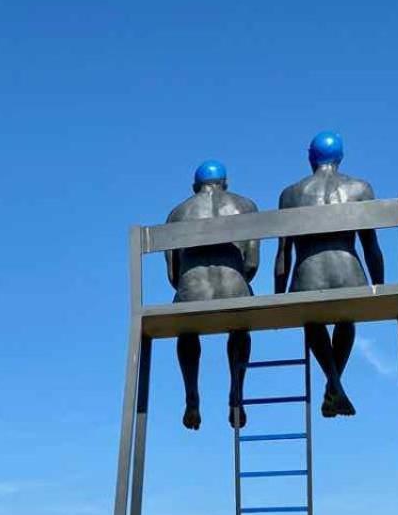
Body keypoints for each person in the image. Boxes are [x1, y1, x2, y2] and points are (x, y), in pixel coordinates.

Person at [274, 130, 385, 417]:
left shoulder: (290, 194)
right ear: (340, 157)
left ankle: (334, 384)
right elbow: (371, 245)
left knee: (312, 320)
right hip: (351, 277)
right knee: (346, 319)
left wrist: (277, 295)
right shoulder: (360, 188)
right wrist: (378, 286)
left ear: (311, 158)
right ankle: (334, 386)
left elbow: (283, 252)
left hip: (307, 280)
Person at [165, 160, 259, 430]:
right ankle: (236, 391)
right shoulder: (245, 206)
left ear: (195, 187)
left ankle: (191, 394)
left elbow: (173, 274)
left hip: (191, 293)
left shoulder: (177, 213)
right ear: (225, 184)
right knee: (240, 328)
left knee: (187, 329)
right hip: (235, 289)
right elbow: (251, 264)